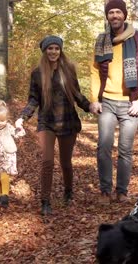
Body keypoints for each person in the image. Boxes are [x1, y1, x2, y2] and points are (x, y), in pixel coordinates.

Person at [15, 35, 91, 216]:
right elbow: (33, 100)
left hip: (68, 121)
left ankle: (68, 191)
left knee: (65, 162)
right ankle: (45, 201)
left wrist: (91, 106)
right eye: (50, 48)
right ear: (44, 51)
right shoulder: (37, 73)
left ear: (60, 51)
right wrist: (22, 117)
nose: (53, 52)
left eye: (57, 48)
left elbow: (77, 95)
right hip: (46, 123)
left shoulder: (69, 70)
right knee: (47, 161)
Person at [89, 0, 138, 204]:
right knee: (104, 146)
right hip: (107, 101)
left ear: (124, 15)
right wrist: (94, 99)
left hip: (130, 102)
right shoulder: (101, 40)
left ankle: (122, 191)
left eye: (119, 12)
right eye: (111, 13)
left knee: (125, 149)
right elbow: (93, 70)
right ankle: (105, 191)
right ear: (107, 16)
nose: (115, 16)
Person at [0, 99, 26, 208]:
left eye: (2, 120)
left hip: (8, 156)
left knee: (4, 175)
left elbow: (17, 134)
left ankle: (5, 196)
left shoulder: (8, 128)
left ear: (6, 120)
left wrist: (19, 127)